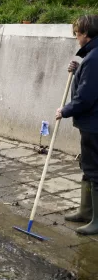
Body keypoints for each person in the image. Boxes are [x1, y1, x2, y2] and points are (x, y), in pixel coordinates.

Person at [56, 15, 98, 235]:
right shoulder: (91, 56)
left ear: (86, 34)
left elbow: (86, 97)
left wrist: (65, 110)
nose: (76, 38)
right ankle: (86, 211)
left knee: (94, 169)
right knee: (88, 167)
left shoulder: (94, 58)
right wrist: (79, 66)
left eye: (78, 34)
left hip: (94, 124)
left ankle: (96, 220)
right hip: (91, 123)